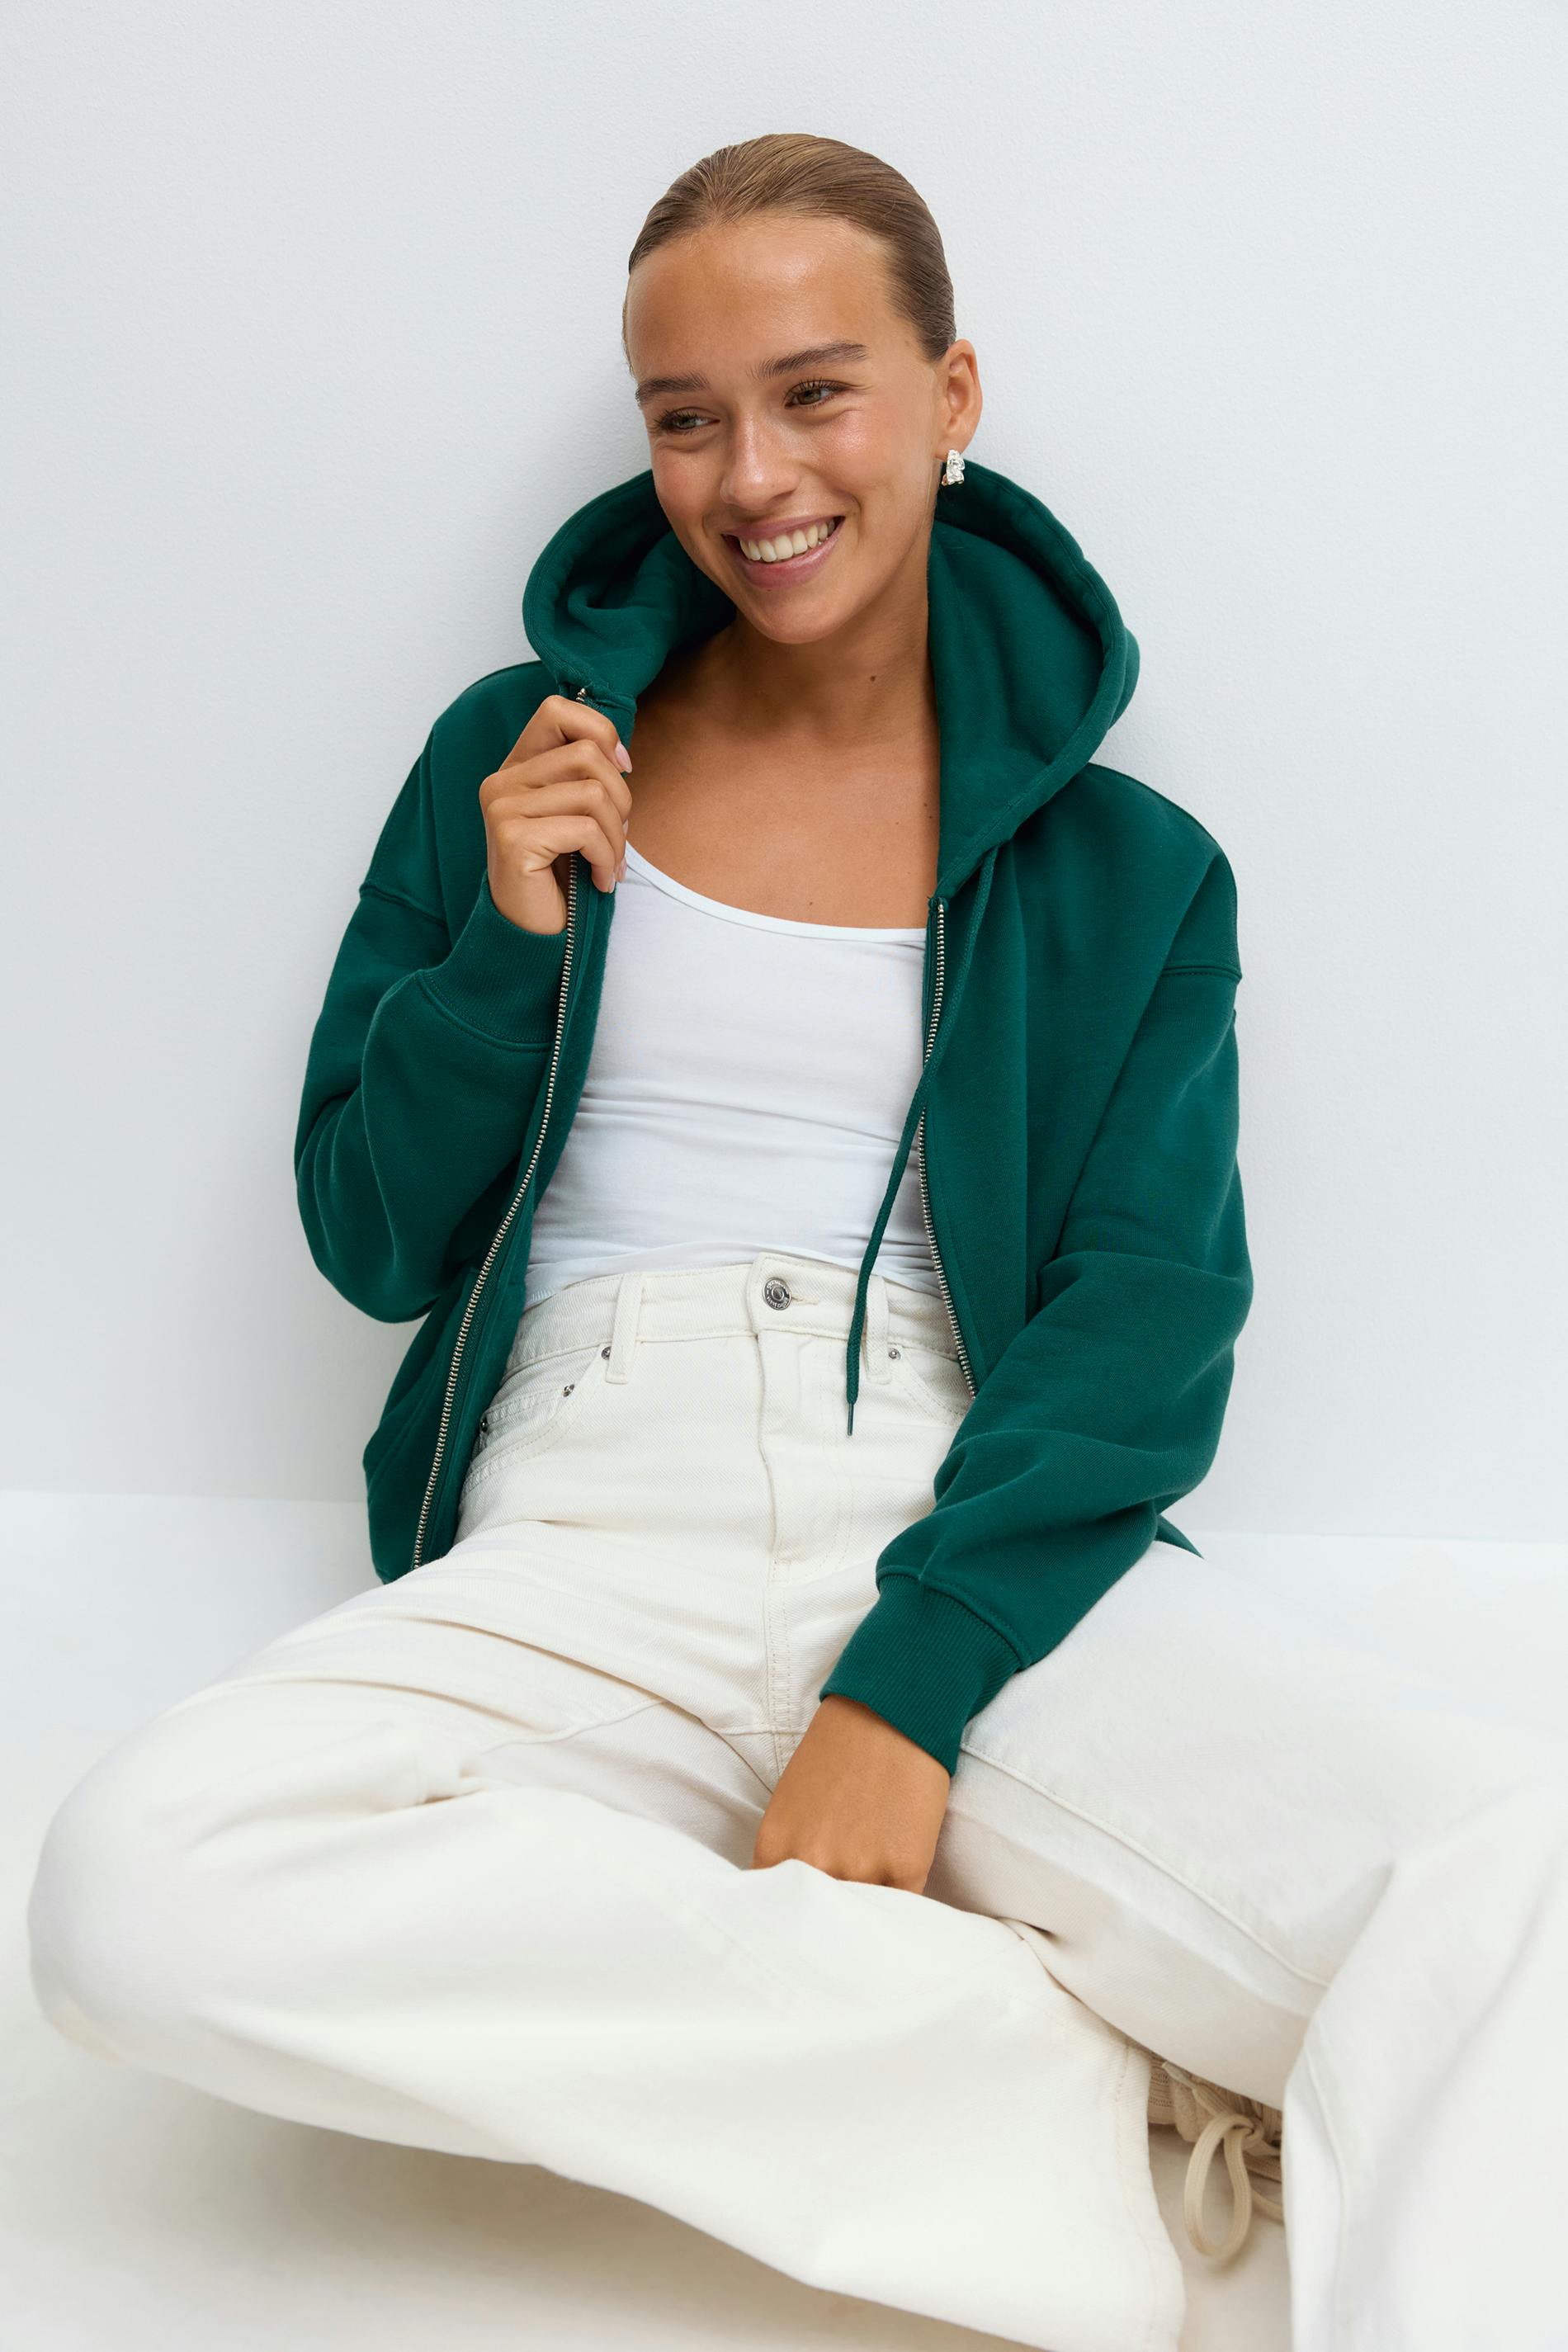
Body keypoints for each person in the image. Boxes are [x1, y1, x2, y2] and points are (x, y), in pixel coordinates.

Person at [26, 134, 1568, 2352]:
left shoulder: (1130, 868)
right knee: (137, 1888)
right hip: (586, 1510)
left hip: (955, 1502)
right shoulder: (515, 757)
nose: (750, 476)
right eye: (685, 417)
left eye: (815, 391)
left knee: (1505, 1873)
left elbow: (1146, 1315)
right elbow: (366, 1234)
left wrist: (903, 1687)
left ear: (950, 395)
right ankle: (1080, 2098)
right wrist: (503, 950)